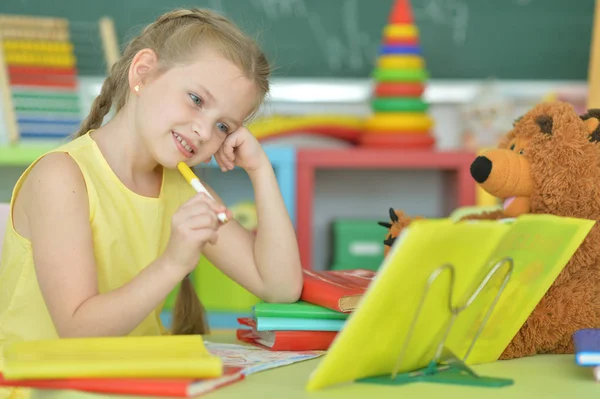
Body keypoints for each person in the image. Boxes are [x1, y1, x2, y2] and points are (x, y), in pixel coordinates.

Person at [0, 8, 303, 397]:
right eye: (196, 99)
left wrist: (260, 171)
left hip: (131, 383)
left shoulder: (183, 184)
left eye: (224, 126)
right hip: (42, 387)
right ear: (143, 73)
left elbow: (279, 285)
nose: (203, 131)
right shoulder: (61, 177)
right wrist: (174, 263)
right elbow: (77, 331)